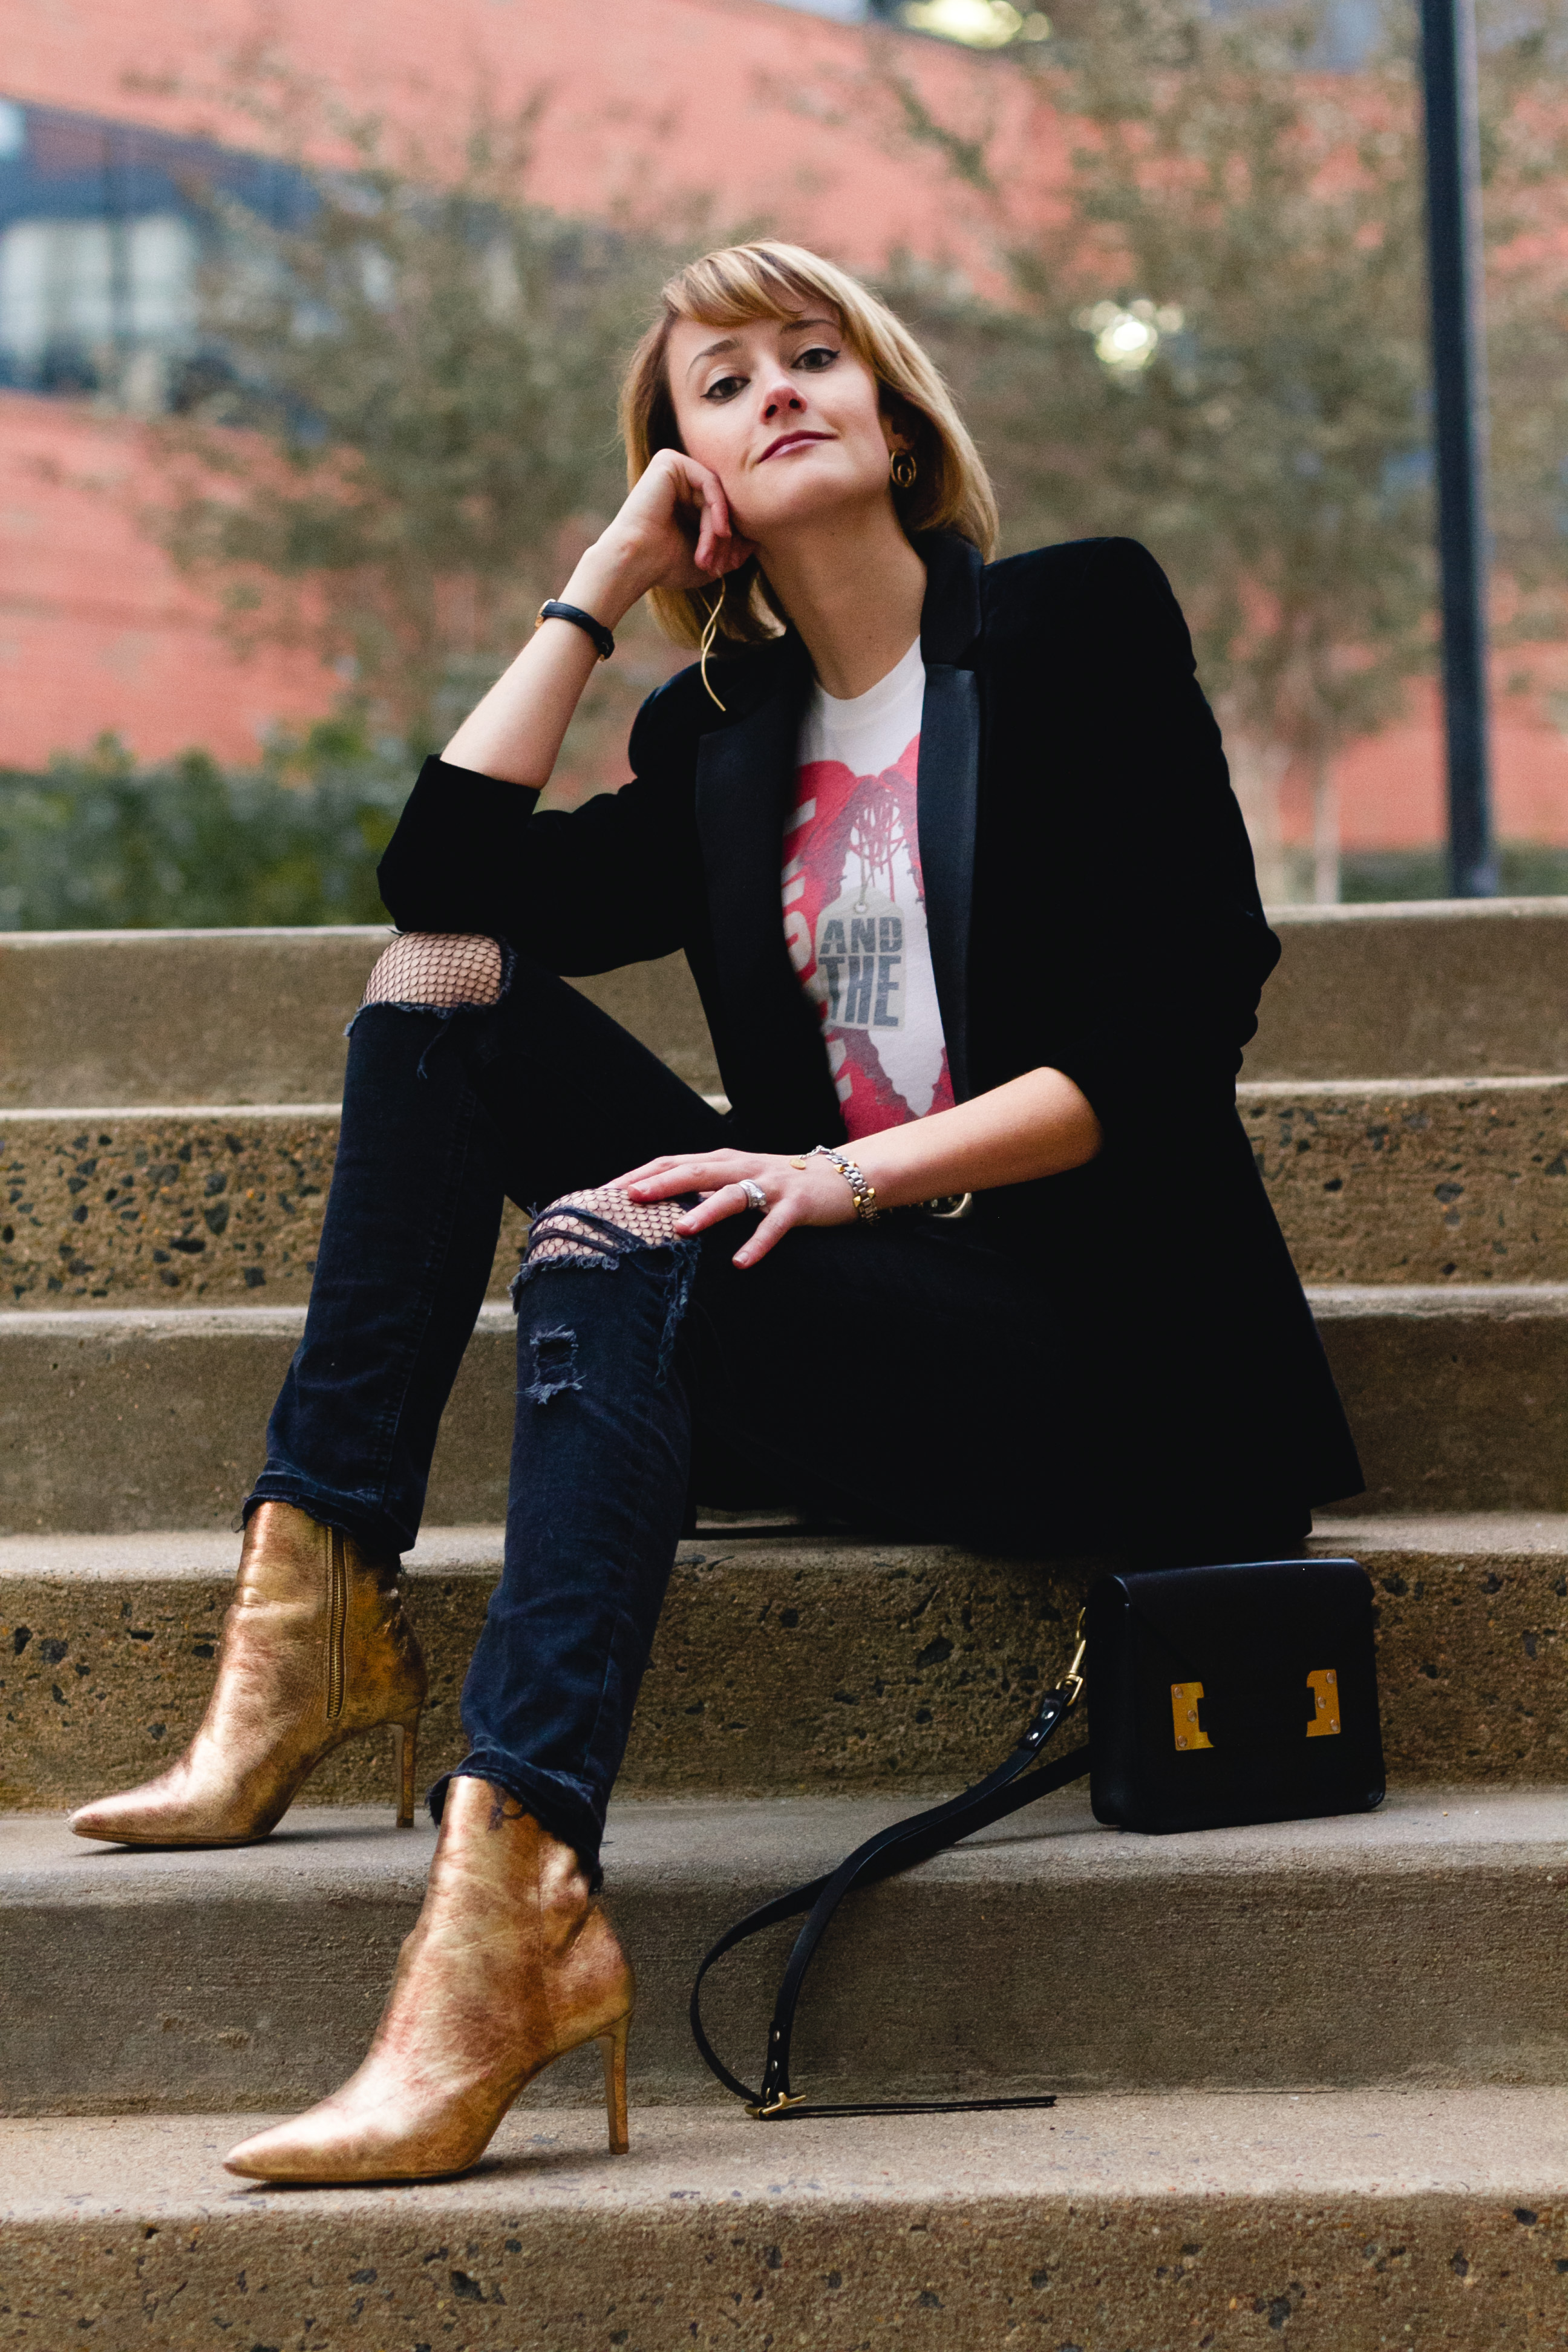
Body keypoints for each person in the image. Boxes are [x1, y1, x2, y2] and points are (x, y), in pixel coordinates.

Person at [68, 240, 1362, 2181]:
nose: (777, 392)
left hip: (1108, 1362)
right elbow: (445, 881)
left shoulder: (1079, 630)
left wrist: (833, 1176)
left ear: (898, 405)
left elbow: (1171, 1040)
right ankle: (318, 1600)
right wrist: (598, 590)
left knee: (613, 1243)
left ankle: (502, 1914)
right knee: (441, 996)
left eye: (814, 354)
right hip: (850, 1331)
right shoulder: (720, 744)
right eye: (721, 384)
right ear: (691, 480)